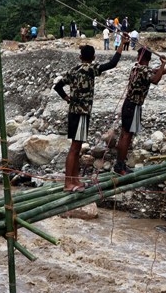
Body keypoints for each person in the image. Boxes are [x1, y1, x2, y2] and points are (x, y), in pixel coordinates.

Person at [53, 44, 123, 191]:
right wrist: (121, 44)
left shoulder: (73, 70)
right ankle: (68, 183)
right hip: (81, 113)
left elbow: (57, 86)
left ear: (80, 57)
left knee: (76, 147)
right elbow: (112, 63)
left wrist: (67, 98)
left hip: (73, 112)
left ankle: (75, 180)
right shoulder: (91, 69)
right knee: (74, 148)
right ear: (93, 58)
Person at [114, 48, 166, 174]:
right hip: (133, 105)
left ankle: (120, 163)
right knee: (126, 135)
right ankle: (120, 166)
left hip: (129, 104)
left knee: (125, 134)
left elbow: (155, 72)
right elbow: (155, 79)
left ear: (139, 56)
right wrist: (163, 63)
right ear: (149, 58)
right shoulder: (143, 70)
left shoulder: (136, 68)